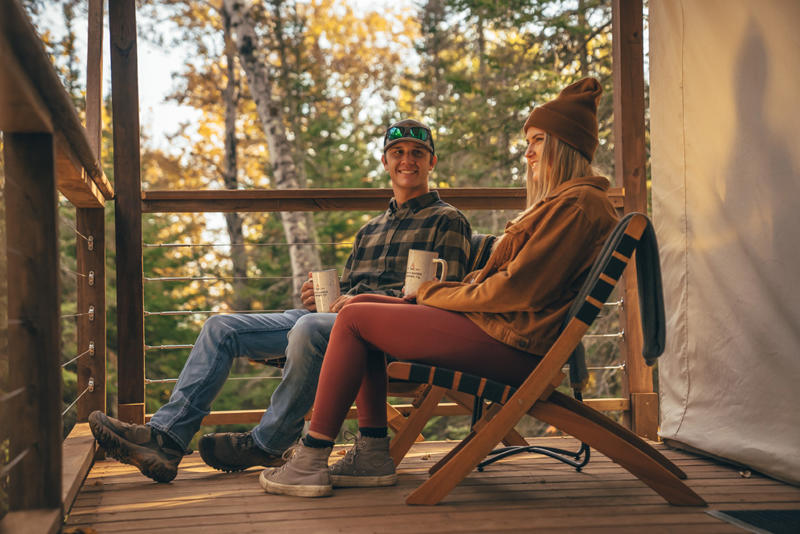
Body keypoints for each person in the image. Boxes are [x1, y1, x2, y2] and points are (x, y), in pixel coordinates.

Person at [258, 77, 619, 498]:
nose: (528, 152)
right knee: (361, 308)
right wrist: (416, 296)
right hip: (499, 332)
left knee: (356, 317)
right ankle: (374, 451)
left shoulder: (577, 206)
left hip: (510, 344)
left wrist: (429, 292)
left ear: (565, 144)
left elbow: (514, 292)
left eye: (538, 140)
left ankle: (311, 457)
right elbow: (511, 287)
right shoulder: (566, 204)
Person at [88, 119, 472, 483]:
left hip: (389, 335)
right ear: (385, 161)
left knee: (309, 327)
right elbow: (349, 289)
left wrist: (357, 302)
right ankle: (166, 439)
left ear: (431, 162)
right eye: (398, 152)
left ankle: (268, 443)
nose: (408, 160)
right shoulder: (370, 230)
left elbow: (442, 297)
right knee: (221, 327)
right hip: (335, 321)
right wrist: (319, 298)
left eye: (418, 153)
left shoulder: (447, 220)